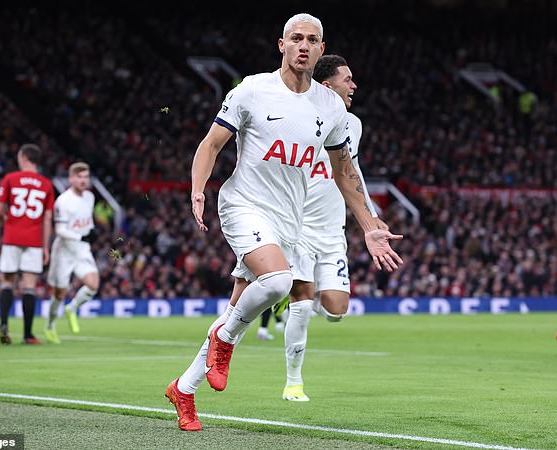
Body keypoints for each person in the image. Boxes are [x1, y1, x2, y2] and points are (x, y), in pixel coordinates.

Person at [165, 13, 403, 431]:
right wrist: (197, 187)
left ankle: (184, 389)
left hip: (289, 220)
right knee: (277, 282)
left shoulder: (330, 107)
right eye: (296, 38)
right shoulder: (253, 90)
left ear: (321, 49)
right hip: (244, 204)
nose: (304, 45)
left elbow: (343, 171)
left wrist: (368, 226)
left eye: (312, 39)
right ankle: (223, 343)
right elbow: (211, 143)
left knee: (237, 308)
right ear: (282, 45)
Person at [276, 54, 390, 402]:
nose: (353, 85)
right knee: (302, 303)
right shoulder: (295, 116)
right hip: (299, 228)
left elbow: (351, 172)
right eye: (347, 79)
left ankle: (287, 297)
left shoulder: (352, 124)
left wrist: (370, 216)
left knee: (337, 310)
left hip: (332, 231)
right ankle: (293, 382)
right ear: (327, 86)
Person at [0, 144, 54, 345]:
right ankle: (28, 334)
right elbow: (47, 219)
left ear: (23, 157)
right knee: (29, 286)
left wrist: (6, 224)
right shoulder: (46, 184)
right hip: (34, 240)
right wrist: (45, 247)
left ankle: (4, 327)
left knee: (7, 282)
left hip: (12, 237)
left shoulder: (10, 179)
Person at [44, 162, 99, 344]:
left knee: (93, 284)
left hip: (81, 249)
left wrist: (91, 231)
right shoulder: (63, 201)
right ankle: (50, 325)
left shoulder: (90, 197)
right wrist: (79, 236)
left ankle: (72, 308)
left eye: (86, 176)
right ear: (71, 179)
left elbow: (86, 220)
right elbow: (59, 230)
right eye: (79, 177)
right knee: (59, 293)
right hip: (64, 251)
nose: (83, 180)